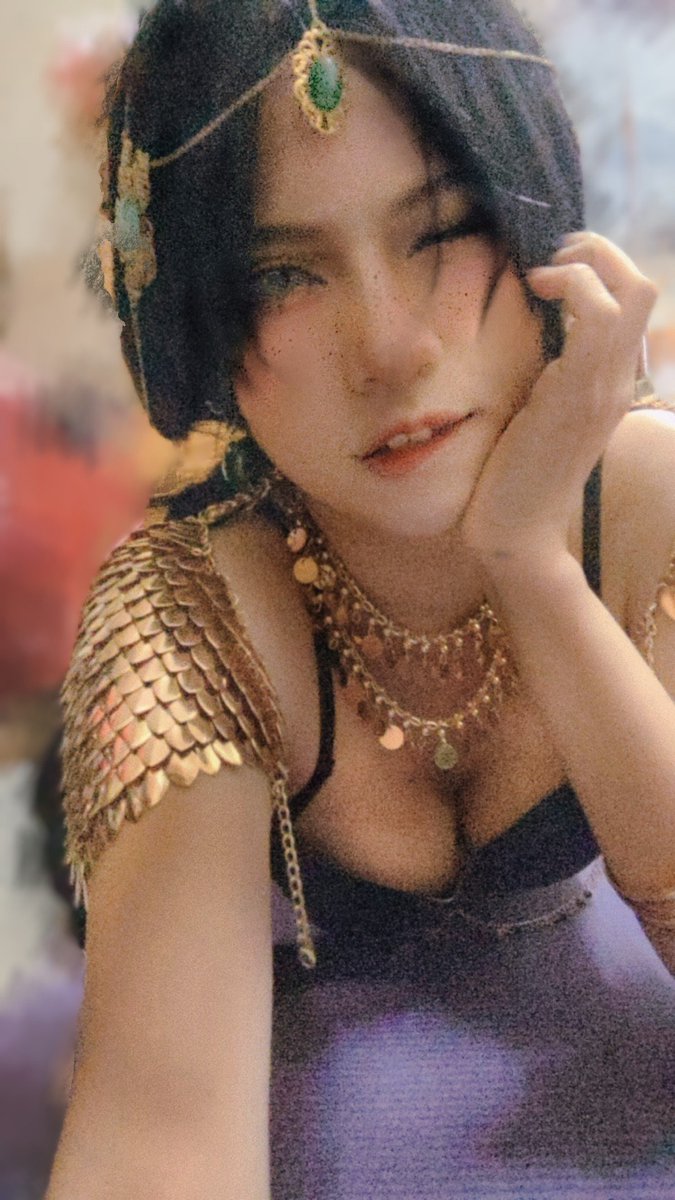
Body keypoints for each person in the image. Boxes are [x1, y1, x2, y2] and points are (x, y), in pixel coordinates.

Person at [46, 2, 675, 1198]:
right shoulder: (189, 618)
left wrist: (531, 564)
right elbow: (157, 1147)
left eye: (439, 228)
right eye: (283, 274)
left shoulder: (649, 506)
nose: (388, 348)